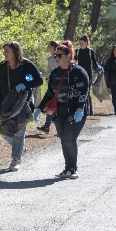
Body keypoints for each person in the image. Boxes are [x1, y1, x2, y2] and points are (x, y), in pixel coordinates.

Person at [34, 40, 91, 179]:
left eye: (59, 55)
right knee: (63, 138)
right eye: (55, 56)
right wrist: (39, 108)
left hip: (76, 111)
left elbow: (84, 91)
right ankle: (67, 168)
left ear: (68, 56)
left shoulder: (78, 72)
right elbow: (49, 93)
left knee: (70, 138)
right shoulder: (55, 73)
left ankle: (73, 169)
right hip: (59, 112)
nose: (56, 58)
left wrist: (80, 109)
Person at [0, 41, 44, 170]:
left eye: (7, 51)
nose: (4, 53)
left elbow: (38, 80)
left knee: (19, 132)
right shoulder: (2, 66)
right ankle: (20, 149)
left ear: (15, 52)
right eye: (4, 51)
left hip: (22, 104)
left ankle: (16, 159)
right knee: (5, 132)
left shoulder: (26, 65)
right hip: (5, 105)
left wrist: (26, 84)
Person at [76, 34, 102, 115]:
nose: (81, 45)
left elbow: (94, 62)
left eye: (82, 43)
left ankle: (89, 110)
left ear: (86, 43)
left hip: (88, 75)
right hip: (79, 75)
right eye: (80, 43)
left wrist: (98, 68)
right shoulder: (77, 51)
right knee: (81, 92)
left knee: (87, 92)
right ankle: (83, 109)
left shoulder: (90, 51)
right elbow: (74, 61)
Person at [37, 40, 59, 133]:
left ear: (53, 48)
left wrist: (44, 74)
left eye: (49, 46)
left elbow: (56, 72)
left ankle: (52, 127)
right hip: (55, 84)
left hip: (54, 85)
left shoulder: (51, 59)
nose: (47, 47)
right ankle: (47, 126)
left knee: (51, 105)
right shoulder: (55, 58)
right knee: (51, 105)